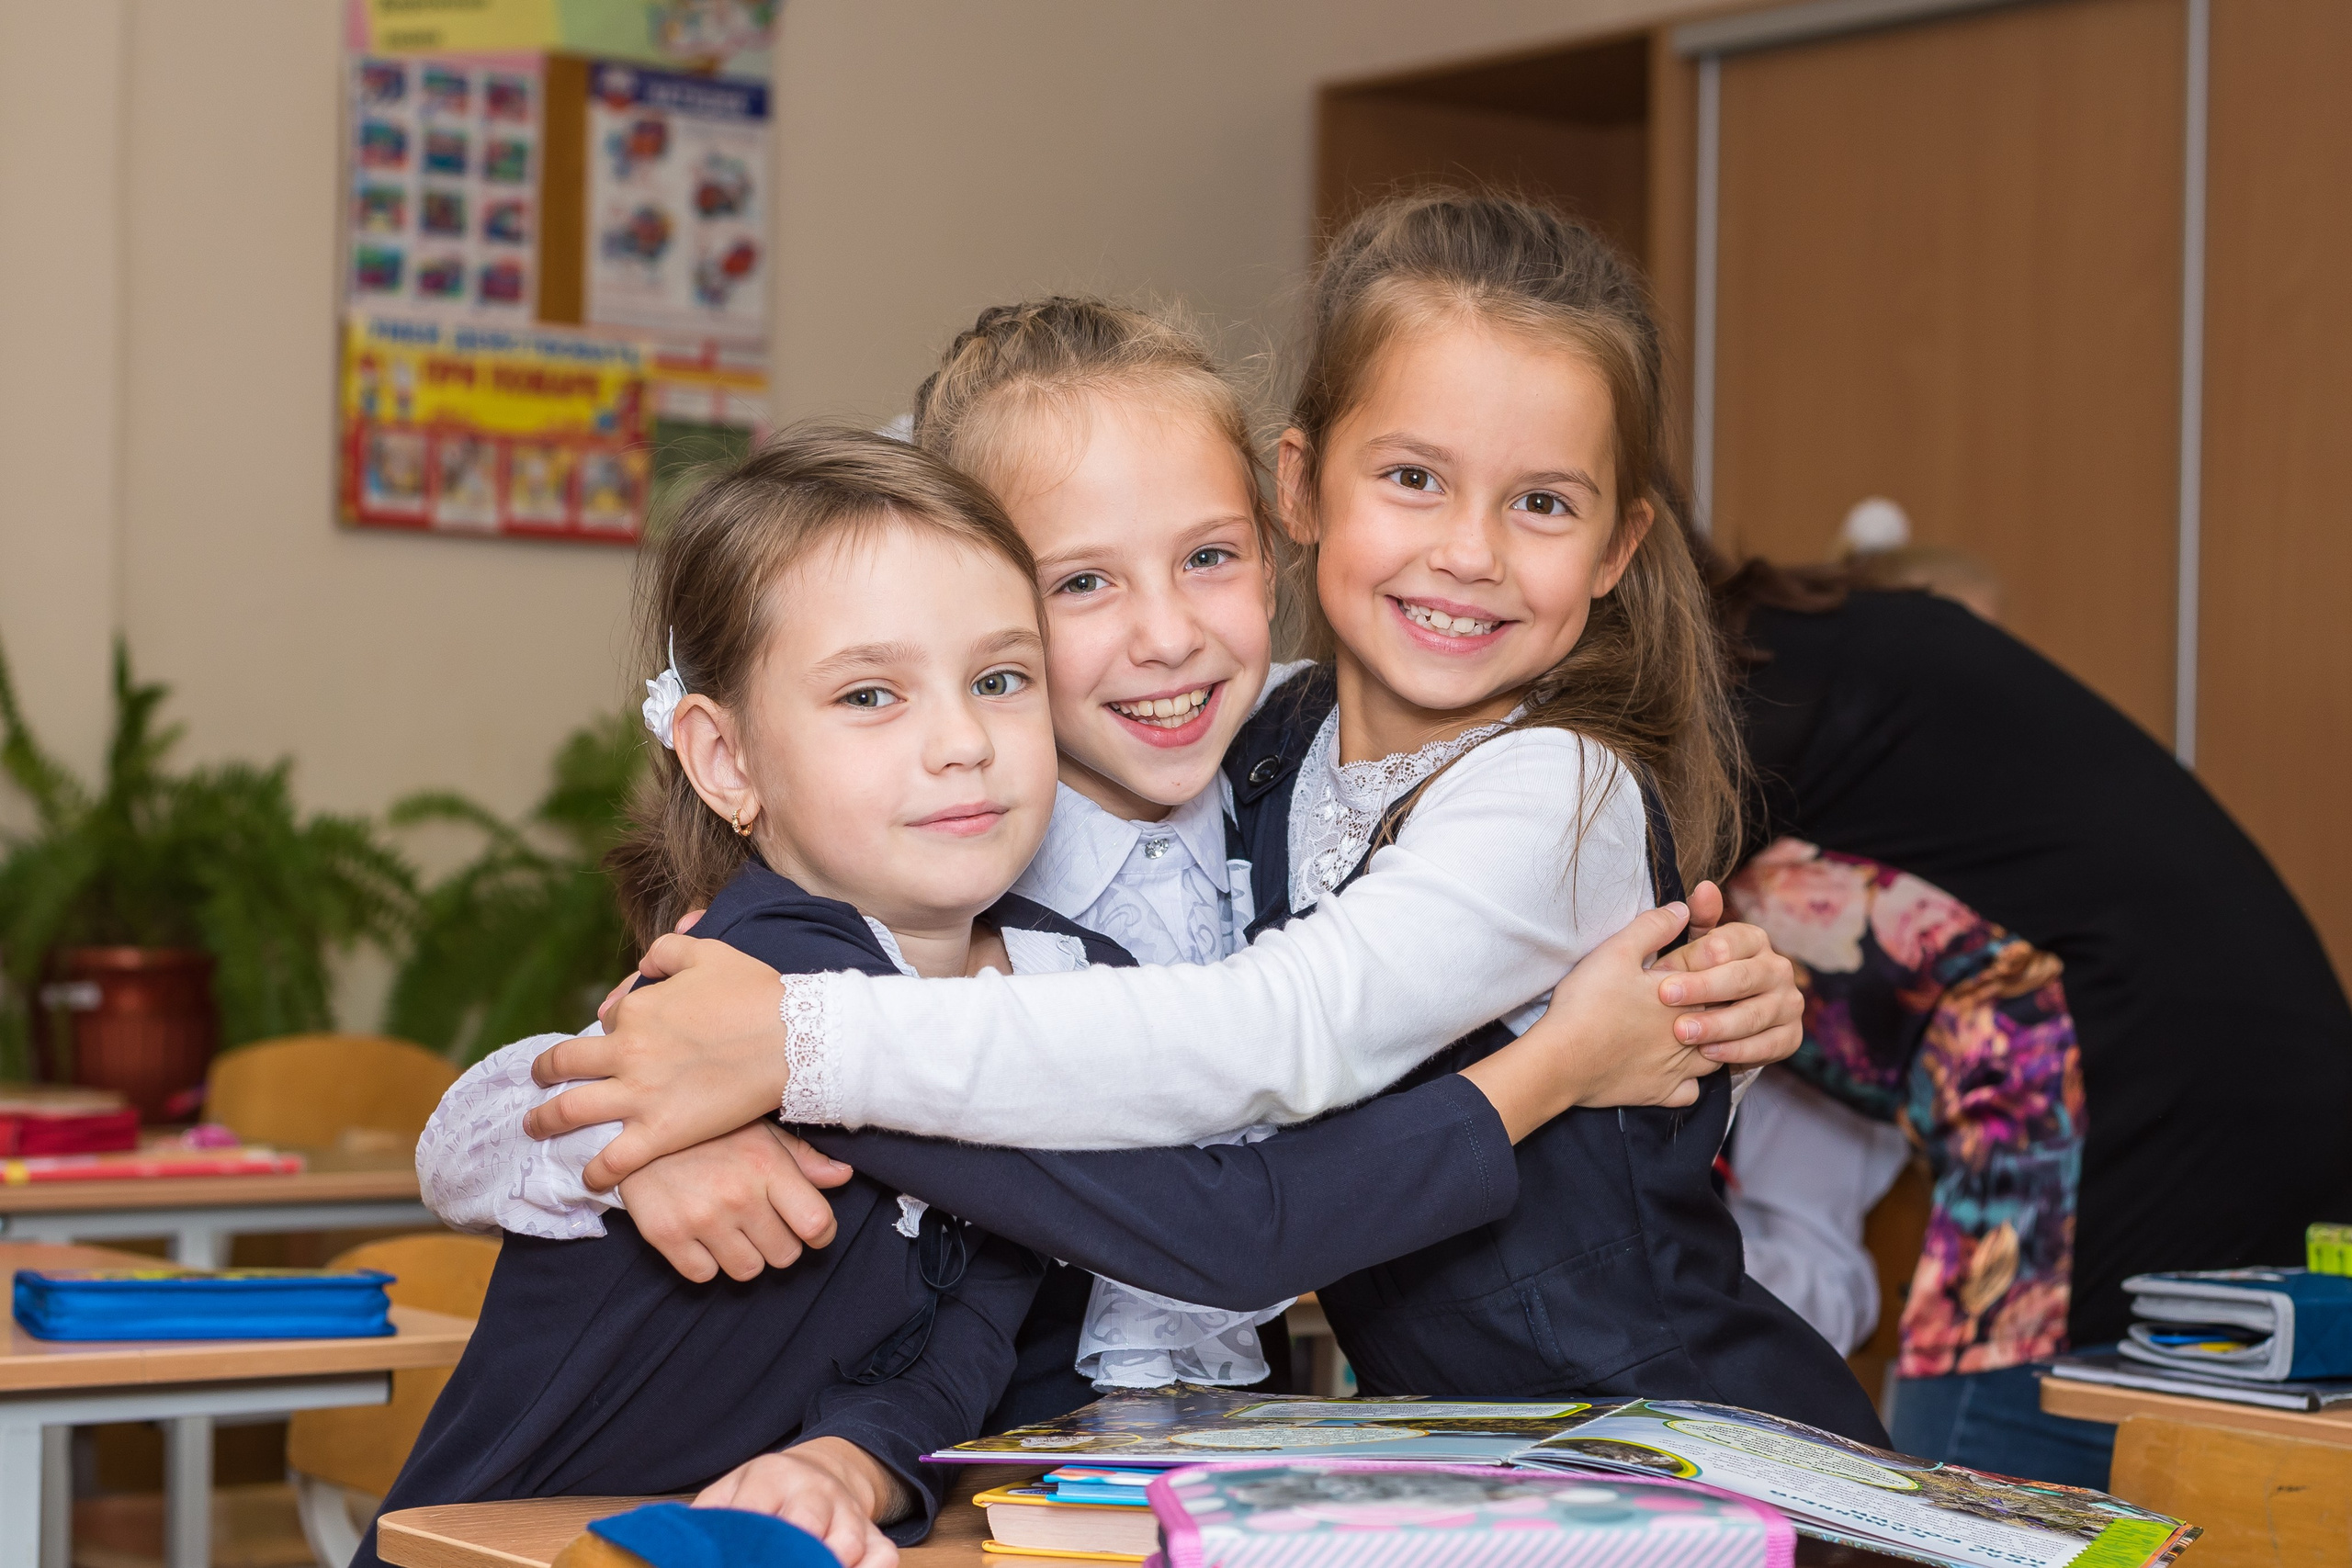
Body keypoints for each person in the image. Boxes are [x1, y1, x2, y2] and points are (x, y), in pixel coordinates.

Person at [512, 193, 1885, 1443]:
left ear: (1617, 549)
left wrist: (787, 1052)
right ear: (1309, 486)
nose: (1468, 549)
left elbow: (1275, 1035)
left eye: (1540, 503)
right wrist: (685, 1115)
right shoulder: (1234, 734)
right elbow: (608, 1048)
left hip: (1669, 1438)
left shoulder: (1554, 783)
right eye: (1414, 477)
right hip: (1417, 1447)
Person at [375, 429, 1723, 1568]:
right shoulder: (773, 983)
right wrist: (1558, 1062)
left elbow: (964, 1324)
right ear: (724, 758)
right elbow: (1238, 1228)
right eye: (869, 694)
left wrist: (850, 1461)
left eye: (1000, 678)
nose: (961, 737)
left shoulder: (1039, 1003)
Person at [1713, 564, 2352, 1484]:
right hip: (2246, 1100)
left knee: (1962, 1502)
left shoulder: (1742, 707)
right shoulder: (1826, 657)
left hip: (2126, 1116)